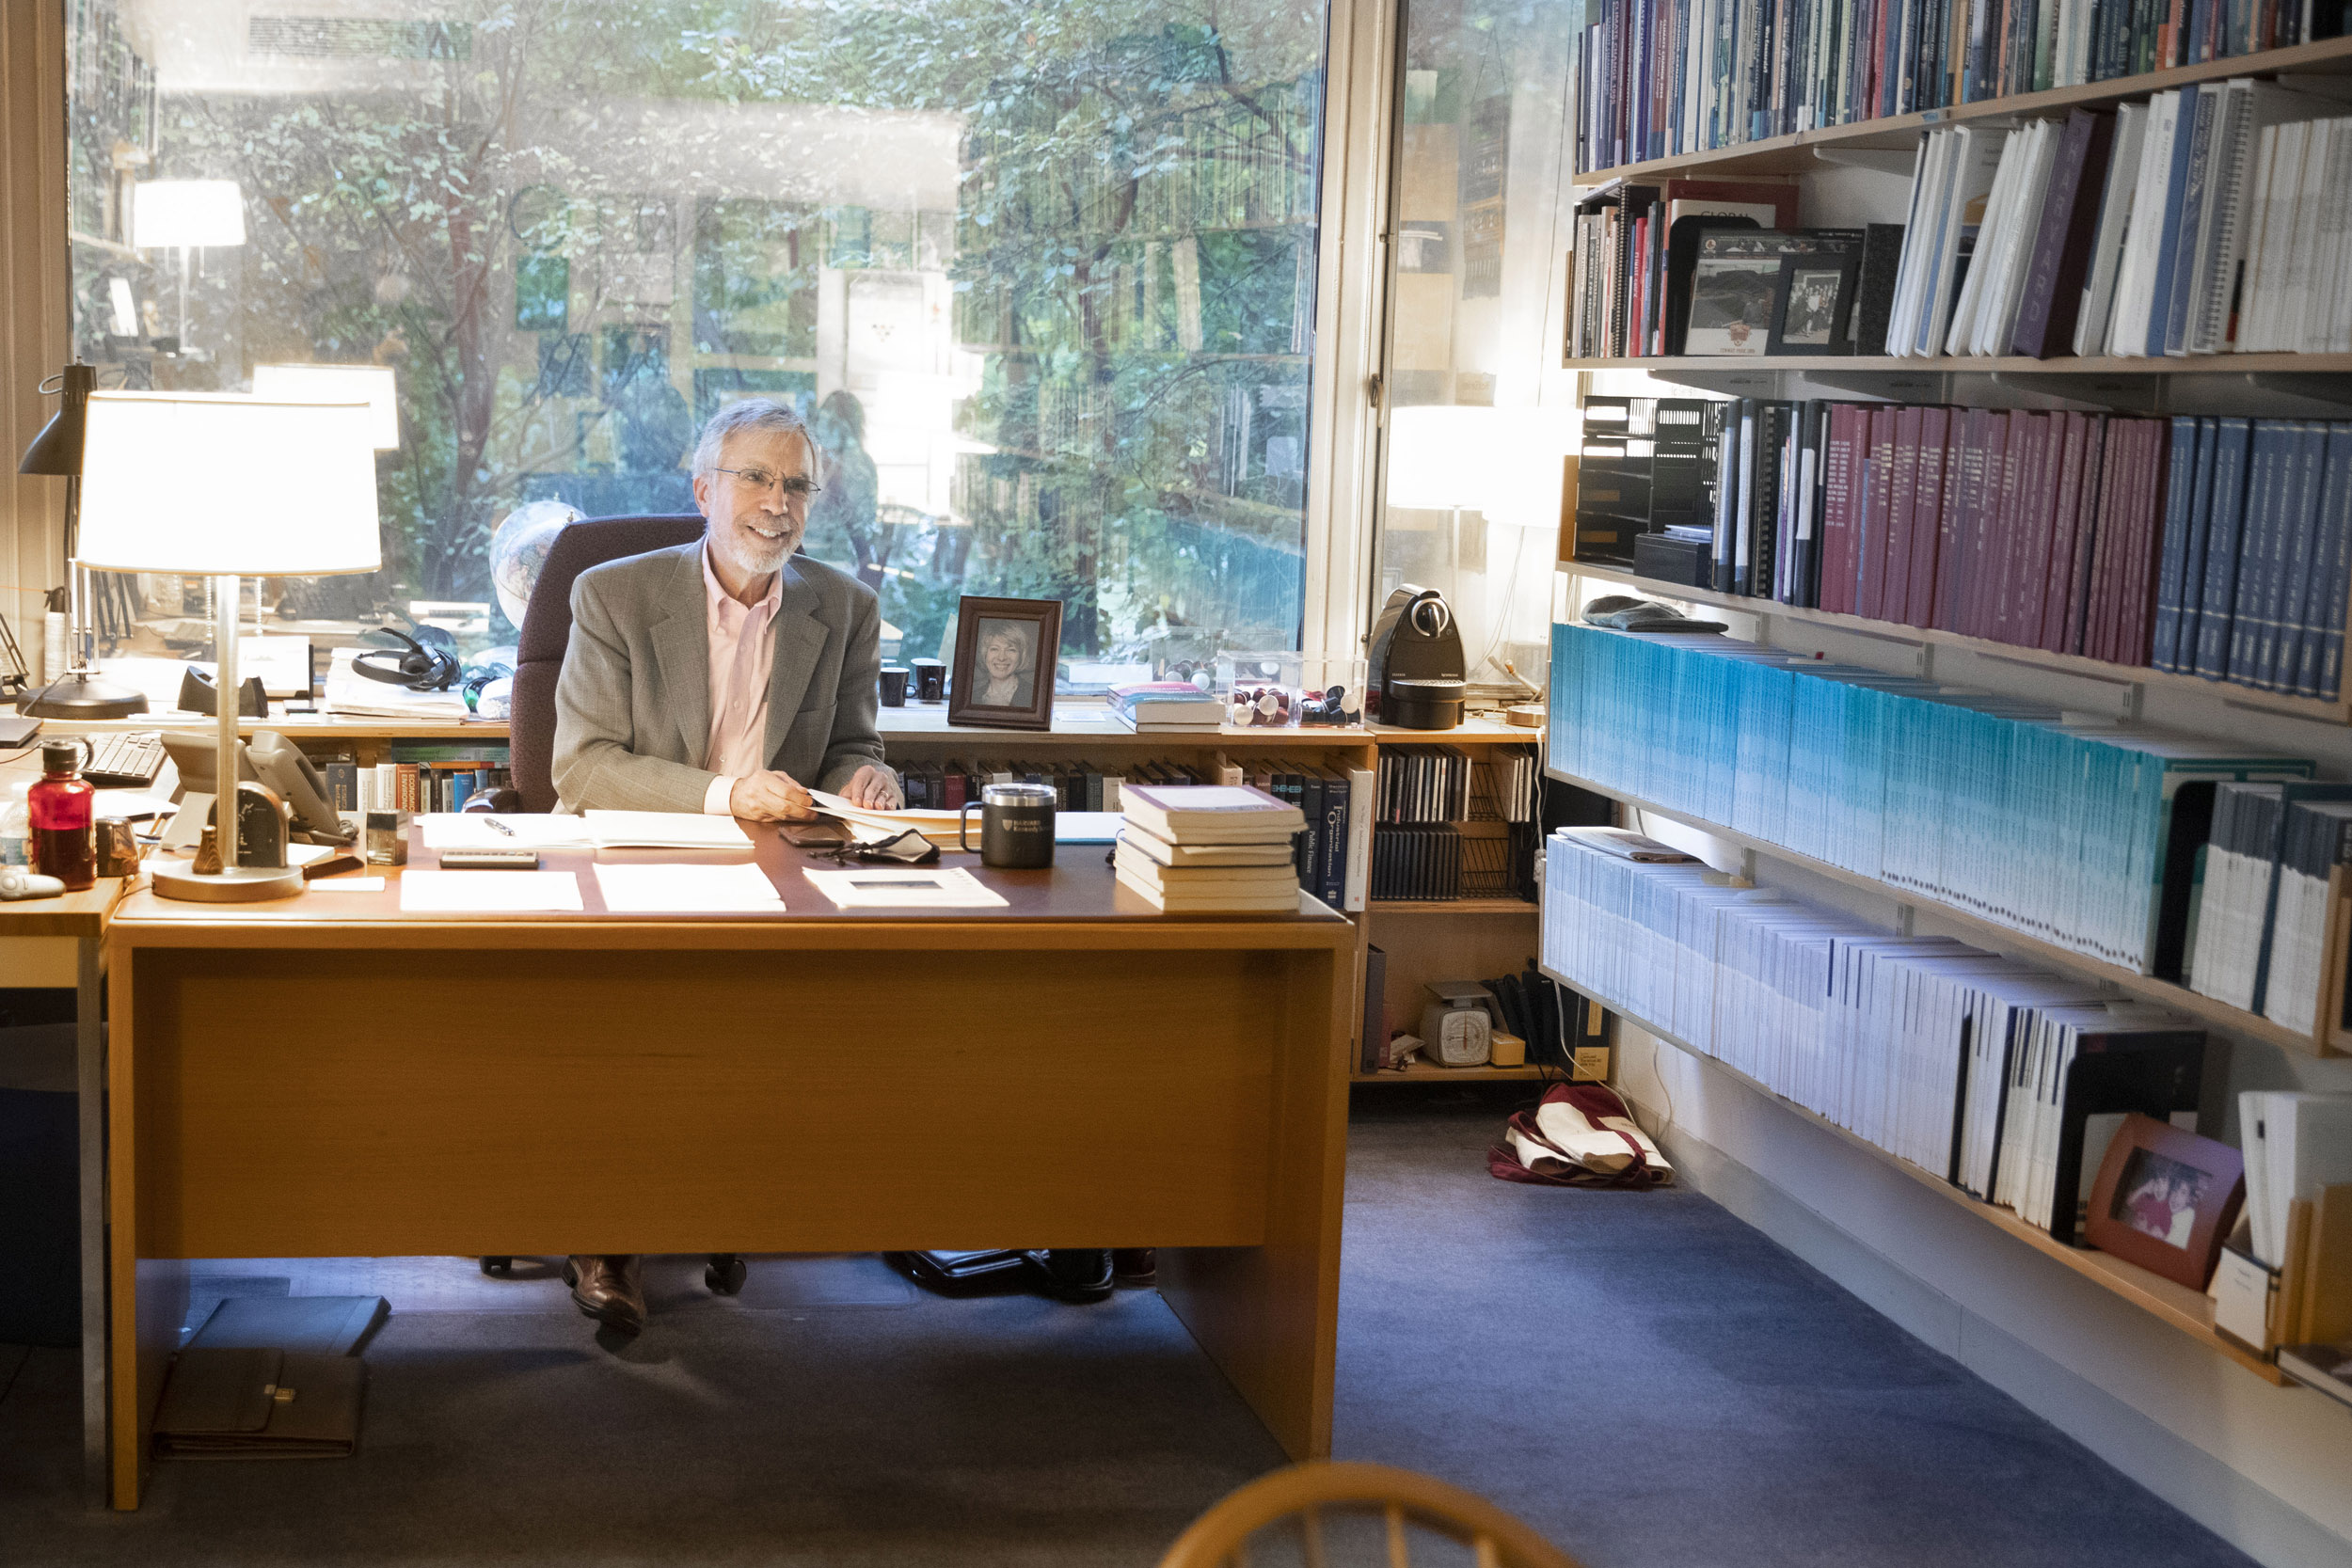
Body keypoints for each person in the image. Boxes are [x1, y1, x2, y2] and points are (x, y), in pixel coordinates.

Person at [549, 395, 902, 1334]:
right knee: (625, 1012)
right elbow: (581, 766)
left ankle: (732, 1189)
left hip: (771, 868)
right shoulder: (613, 594)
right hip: (633, 848)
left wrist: (865, 773)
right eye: (754, 476)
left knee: (792, 1010)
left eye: (796, 483)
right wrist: (722, 795)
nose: (776, 502)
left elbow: (851, 744)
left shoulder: (847, 606)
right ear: (704, 486)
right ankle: (604, 1231)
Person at [974, 621, 1032, 706]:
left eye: (1011, 650)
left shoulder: (1034, 695)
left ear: (1021, 656)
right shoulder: (974, 696)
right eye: (994, 649)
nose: (1002, 658)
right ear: (985, 654)